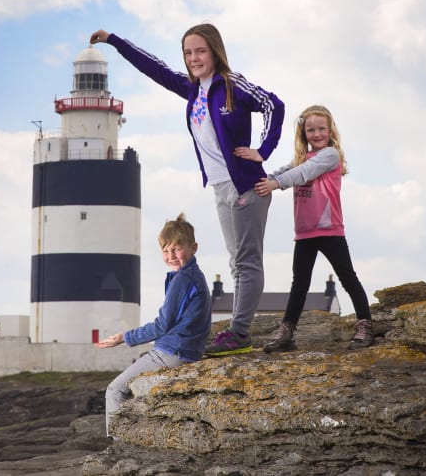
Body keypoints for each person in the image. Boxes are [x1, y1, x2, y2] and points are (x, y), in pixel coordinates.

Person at [90, 25, 284, 356]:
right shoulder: (193, 90)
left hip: (247, 185)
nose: (194, 58)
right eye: (188, 53)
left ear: (215, 52)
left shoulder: (231, 84)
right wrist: (114, 41)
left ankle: (239, 333)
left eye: (200, 51)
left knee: (247, 261)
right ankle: (239, 331)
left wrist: (263, 150)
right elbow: (155, 68)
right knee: (236, 262)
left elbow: (273, 105)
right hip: (220, 187)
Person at [243, 104, 373, 352]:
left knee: (348, 278)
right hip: (304, 232)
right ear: (303, 133)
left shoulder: (330, 155)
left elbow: (303, 173)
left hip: (329, 230)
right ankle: (287, 332)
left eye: (321, 129)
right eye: (310, 130)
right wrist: (255, 181)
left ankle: (365, 325)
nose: (316, 134)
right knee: (299, 284)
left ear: (330, 130)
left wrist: (276, 184)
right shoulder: (302, 157)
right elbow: (283, 171)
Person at [95, 213, 212, 438]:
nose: (171, 256)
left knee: (115, 390)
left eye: (177, 249)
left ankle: (118, 445)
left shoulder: (183, 280)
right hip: (185, 349)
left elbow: (162, 325)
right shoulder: (193, 275)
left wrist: (124, 337)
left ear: (193, 247)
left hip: (174, 350)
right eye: (166, 251)